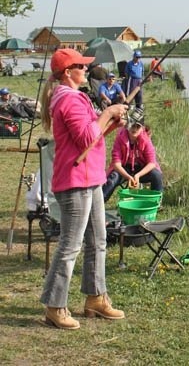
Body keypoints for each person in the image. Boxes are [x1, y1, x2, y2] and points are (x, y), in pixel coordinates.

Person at [39, 48, 128, 330]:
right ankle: (55, 306)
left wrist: (111, 122)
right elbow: (87, 136)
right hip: (76, 182)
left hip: (91, 179)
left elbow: (92, 135)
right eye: (82, 66)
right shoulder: (70, 100)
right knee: (70, 246)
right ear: (68, 72)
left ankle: (96, 298)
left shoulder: (73, 98)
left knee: (98, 241)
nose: (87, 70)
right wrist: (109, 111)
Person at [102, 120, 163, 202]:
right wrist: (128, 177)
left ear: (142, 128)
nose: (134, 129)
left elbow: (152, 163)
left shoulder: (146, 140)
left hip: (142, 169)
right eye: (132, 125)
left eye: (138, 126)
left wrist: (137, 175)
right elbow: (116, 164)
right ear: (127, 126)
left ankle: (156, 202)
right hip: (124, 169)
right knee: (113, 177)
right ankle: (99, 203)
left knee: (156, 174)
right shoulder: (120, 138)